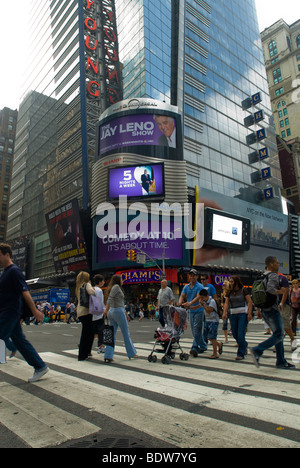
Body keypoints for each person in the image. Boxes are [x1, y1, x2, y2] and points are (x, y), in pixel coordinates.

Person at [0, 243, 49, 382]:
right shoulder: (6, 272)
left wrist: (35, 311)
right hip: (8, 312)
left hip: (9, 312)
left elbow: (25, 292)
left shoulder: (14, 271)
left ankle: (40, 366)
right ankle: (40, 366)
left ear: (7, 254)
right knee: (19, 341)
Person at [250, 256, 295, 369]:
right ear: (271, 264)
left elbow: (259, 293)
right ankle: (257, 350)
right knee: (279, 334)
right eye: (276, 263)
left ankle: (281, 361)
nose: (278, 265)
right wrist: (280, 291)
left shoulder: (262, 275)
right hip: (272, 308)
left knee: (277, 334)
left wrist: (258, 309)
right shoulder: (274, 275)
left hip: (264, 308)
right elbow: (270, 289)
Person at [104, 275, 137, 363]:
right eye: (121, 279)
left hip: (113, 311)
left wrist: (125, 313)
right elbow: (110, 299)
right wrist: (106, 309)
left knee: (112, 334)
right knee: (125, 333)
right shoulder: (116, 287)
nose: (123, 280)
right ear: (118, 280)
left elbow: (118, 301)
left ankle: (108, 355)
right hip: (117, 311)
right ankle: (131, 353)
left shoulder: (114, 287)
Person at [223, 276, 252, 361]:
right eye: (230, 281)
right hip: (233, 314)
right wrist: (224, 312)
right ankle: (244, 344)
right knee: (234, 333)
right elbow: (226, 303)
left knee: (240, 333)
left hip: (243, 313)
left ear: (236, 282)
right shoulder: (230, 291)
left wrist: (249, 313)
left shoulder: (243, 290)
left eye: (232, 281)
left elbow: (249, 301)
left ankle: (241, 353)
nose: (230, 283)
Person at [179, 269, 206, 357]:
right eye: (191, 275)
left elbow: (198, 297)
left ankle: (194, 347)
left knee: (197, 328)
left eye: (194, 275)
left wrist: (189, 303)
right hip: (191, 310)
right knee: (194, 330)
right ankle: (203, 345)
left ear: (197, 276)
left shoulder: (200, 286)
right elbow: (182, 295)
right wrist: (180, 302)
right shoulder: (186, 287)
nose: (192, 277)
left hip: (199, 310)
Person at [75, 271, 95, 361]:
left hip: (80, 311)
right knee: (87, 333)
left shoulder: (78, 286)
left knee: (87, 332)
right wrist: (95, 290)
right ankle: (83, 354)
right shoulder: (86, 284)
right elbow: (91, 292)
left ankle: (86, 352)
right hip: (87, 311)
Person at [199, 290, 223, 359]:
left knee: (212, 337)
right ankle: (219, 344)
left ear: (207, 296)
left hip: (213, 320)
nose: (202, 299)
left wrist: (203, 304)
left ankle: (215, 353)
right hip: (207, 320)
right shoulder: (204, 301)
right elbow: (198, 306)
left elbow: (209, 311)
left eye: (203, 297)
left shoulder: (212, 301)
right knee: (207, 337)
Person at [278, 274, 296, 351]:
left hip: (284, 305)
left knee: (285, 323)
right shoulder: (268, 280)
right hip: (274, 305)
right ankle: (278, 343)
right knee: (277, 325)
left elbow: (285, 292)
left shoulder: (282, 279)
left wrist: (282, 302)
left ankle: (292, 339)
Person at [92, 274, 106, 353]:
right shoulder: (99, 290)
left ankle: (85, 344)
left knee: (94, 331)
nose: (104, 282)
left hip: (93, 313)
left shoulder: (92, 289)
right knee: (101, 331)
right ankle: (101, 346)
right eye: (103, 281)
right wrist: (104, 311)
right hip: (99, 313)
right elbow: (100, 302)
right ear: (100, 282)